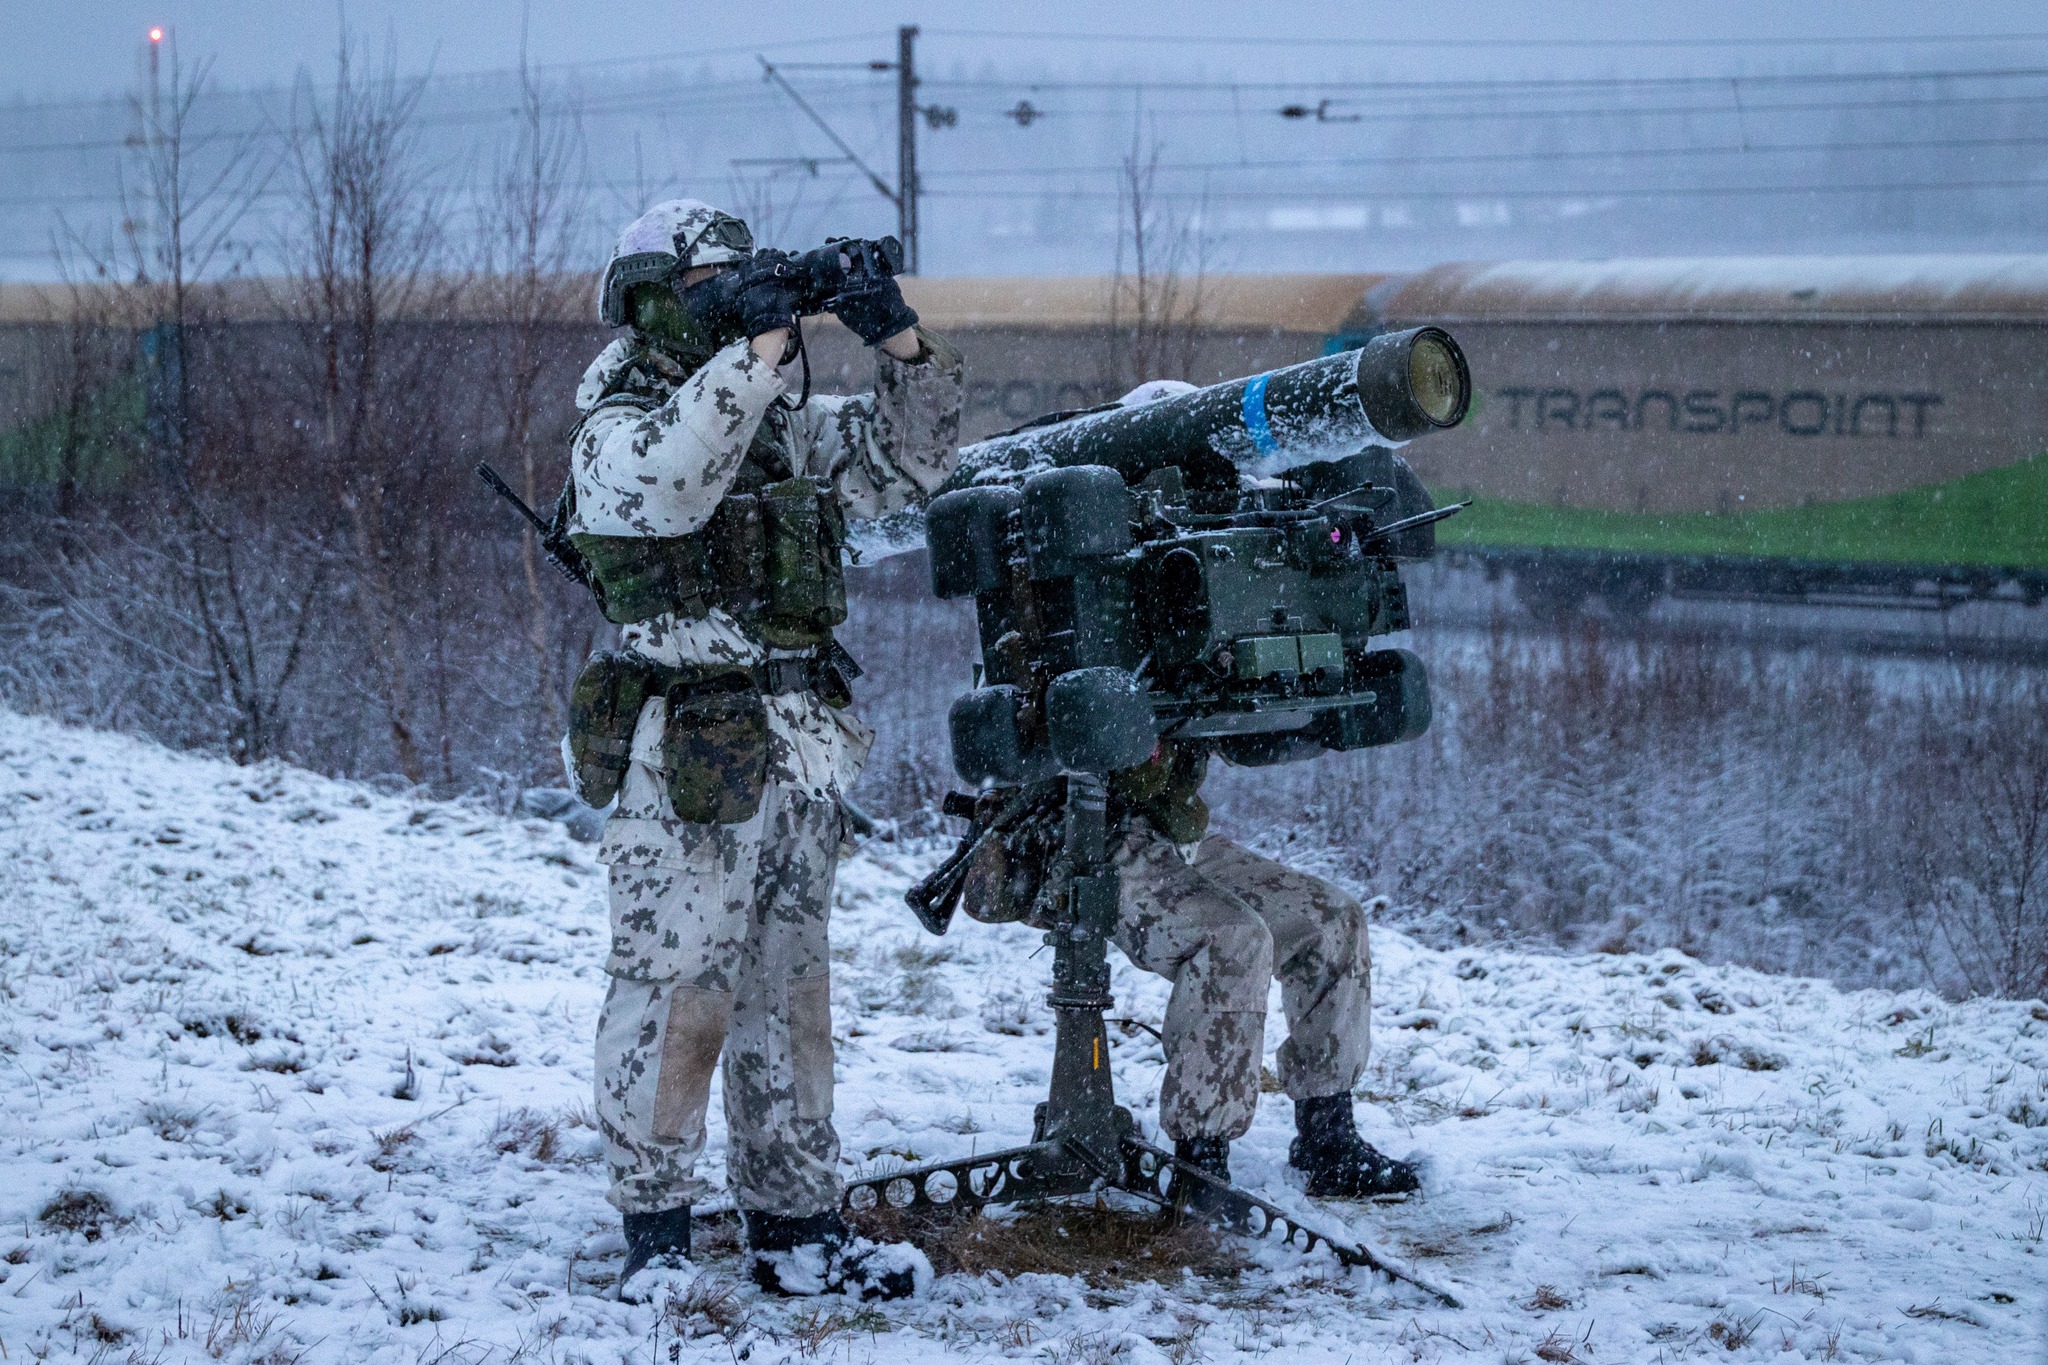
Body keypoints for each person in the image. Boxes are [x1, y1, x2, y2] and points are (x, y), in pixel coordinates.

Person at [564, 199, 963, 1300]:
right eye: (711, 293)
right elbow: (667, 486)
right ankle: (655, 1235)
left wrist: (900, 343)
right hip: (686, 744)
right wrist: (754, 355)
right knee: (675, 988)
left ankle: (796, 1224)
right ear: (651, 301)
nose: (742, 314)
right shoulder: (616, 420)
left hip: (793, 744)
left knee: (791, 995)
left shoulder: (778, 424)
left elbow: (908, 468)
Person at [1102, 739, 1422, 1203]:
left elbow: (1250, 742)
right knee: (1233, 938)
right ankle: (1201, 1164)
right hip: (1087, 836)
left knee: (1331, 920)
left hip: (1174, 838)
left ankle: (1327, 1138)